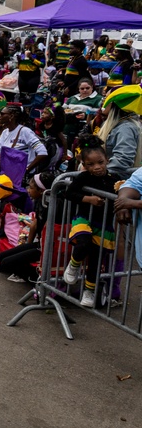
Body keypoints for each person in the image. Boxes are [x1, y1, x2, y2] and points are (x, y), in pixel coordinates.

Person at [61, 137, 120, 309]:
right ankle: (74, 265)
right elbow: (69, 193)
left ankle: (89, 291)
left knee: (96, 259)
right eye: (91, 164)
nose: (97, 167)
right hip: (84, 219)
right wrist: (89, 199)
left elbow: (122, 193)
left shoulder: (114, 179)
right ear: (85, 165)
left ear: (107, 160)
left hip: (103, 224)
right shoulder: (83, 177)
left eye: (100, 162)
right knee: (83, 243)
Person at [97, 97, 142, 181]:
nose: (103, 102)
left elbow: (122, 159)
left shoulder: (125, 128)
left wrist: (98, 170)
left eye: (107, 100)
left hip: (117, 178)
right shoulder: (115, 124)